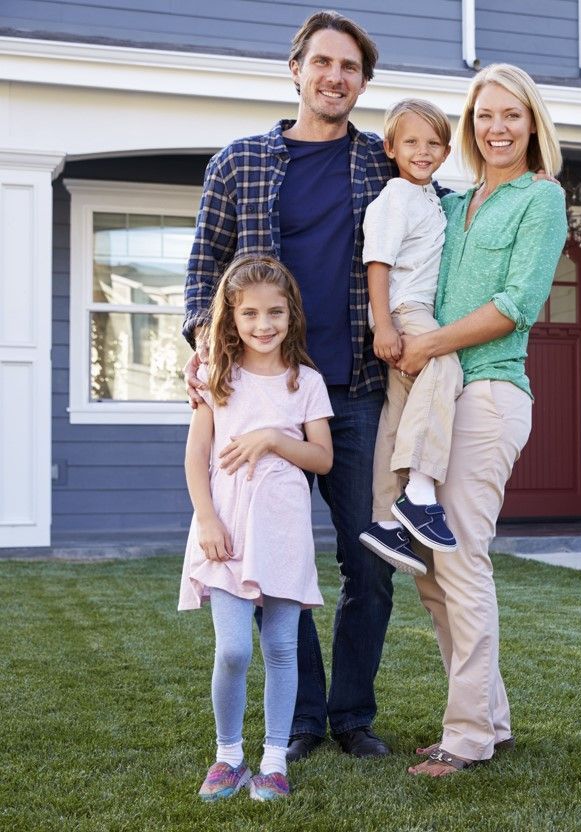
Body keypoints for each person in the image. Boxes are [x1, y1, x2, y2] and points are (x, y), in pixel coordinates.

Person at [183, 10, 399, 761]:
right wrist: (201, 350)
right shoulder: (238, 163)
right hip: (263, 391)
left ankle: (352, 715)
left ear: (363, 82)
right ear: (296, 69)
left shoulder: (382, 165)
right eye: (323, 63)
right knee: (279, 558)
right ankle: (301, 718)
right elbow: (202, 274)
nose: (335, 77)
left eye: (350, 68)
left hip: (359, 388)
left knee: (367, 559)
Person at [394, 64, 568, 777]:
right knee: (433, 572)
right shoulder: (456, 201)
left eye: (512, 115)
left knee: (461, 560)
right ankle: (490, 720)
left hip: (490, 395)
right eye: (485, 115)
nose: (497, 128)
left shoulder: (542, 198)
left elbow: (515, 305)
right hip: (440, 397)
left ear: (533, 124)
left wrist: (427, 343)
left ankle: (464, 737)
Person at [179, 255, 333, 802]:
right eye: (250, 314)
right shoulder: (218, 379)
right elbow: (197, 457)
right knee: (234, 652)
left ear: (291, 314)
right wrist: (207, 518)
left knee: (283, 648)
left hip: (284, 531)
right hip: (227, 530)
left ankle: (272, 761)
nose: (263, 325)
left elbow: (321, 458)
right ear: (231, 318)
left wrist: (271, 437)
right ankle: (228, 756)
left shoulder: (306, 382)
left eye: (275, 312)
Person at [359, 98, 466, 576]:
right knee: (444, 364)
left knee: (397, 411)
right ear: (390, 148)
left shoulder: (431, 198)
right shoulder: (396, 197)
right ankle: (420, 492)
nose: (422, 151)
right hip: (406, 310)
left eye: (433, 143)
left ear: (444, 151)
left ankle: (384, 519)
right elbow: (377, 262)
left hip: (410, 311)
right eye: (411, 142)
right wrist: (384, 324)